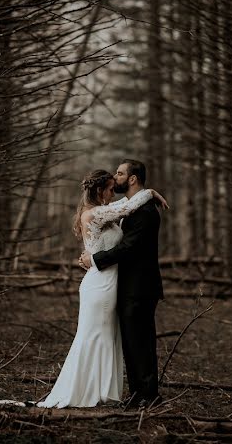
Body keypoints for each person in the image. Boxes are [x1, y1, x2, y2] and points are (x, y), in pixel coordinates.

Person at [37, 167, 167, 408]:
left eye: (119, 176)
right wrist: (150, 192)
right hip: (101, 284)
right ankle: (83, 391)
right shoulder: (96, 213)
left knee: (104, 337)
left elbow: (123, 217)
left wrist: (93, 258)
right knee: (93, 336)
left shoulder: (103, 213)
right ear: (99, 190)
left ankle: (99, 390)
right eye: (109, 187)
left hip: (109, 281)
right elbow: (126, 208)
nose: (114, 190)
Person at [79, 159, 164, 410]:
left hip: (140, 287)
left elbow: (128, 248)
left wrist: (94, 259)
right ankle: (138, 393)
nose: (115, 178)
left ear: (133, 179)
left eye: (119, 173)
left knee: (141, 341)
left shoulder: (146, 212)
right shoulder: (129, 208)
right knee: (130, 340)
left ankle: (149, 395)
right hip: (124, 286)